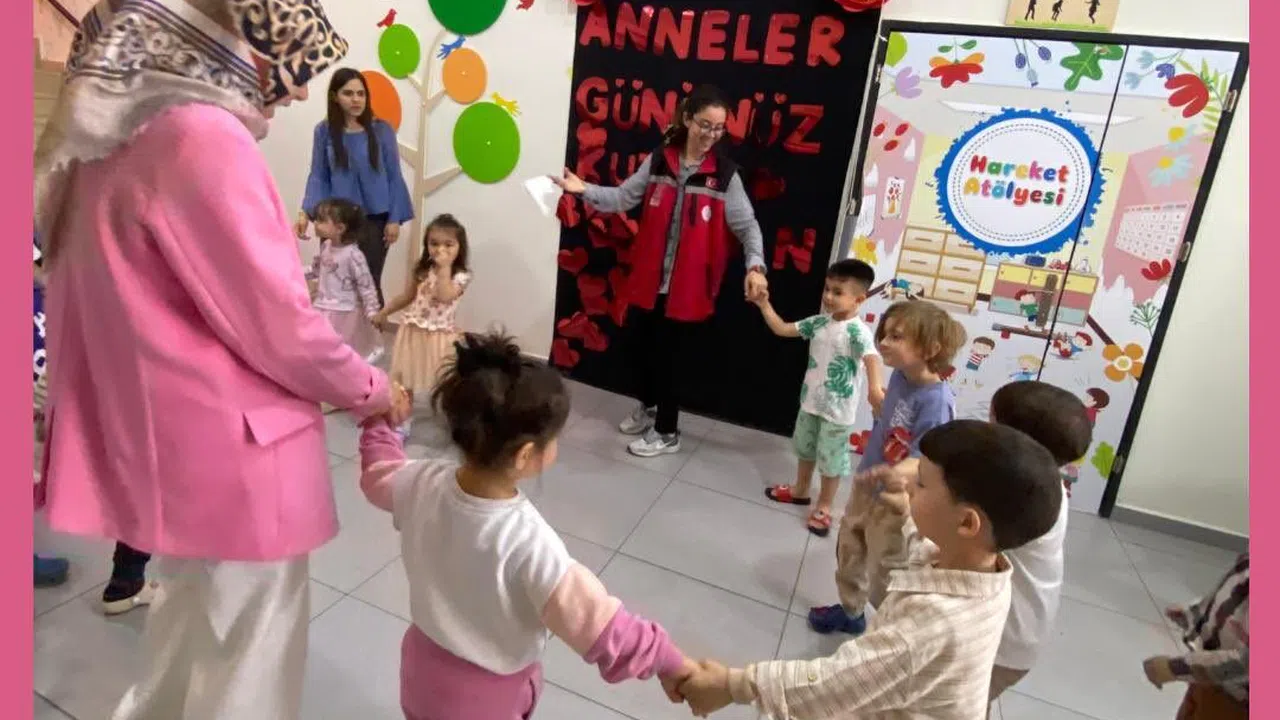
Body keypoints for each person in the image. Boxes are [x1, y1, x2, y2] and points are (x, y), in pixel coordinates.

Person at [32, 1, 410, 716]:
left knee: (186, 633)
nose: (299, 90)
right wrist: (371, 388)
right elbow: (279, 324)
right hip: (238, 457)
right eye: (289, 65)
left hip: (170, 452)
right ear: (232, 42)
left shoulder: (106, 135)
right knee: (249, 661)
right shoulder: (202, 136)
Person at [356, 332, 697, 719]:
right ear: (524, 455)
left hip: (422, 669)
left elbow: (378, 472)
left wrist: (380, 422)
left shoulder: (421, 481)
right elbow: (603, 627)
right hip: (487, 699)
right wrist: (673, 663)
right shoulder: (529, 542)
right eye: (553, 440)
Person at [673, 420, 1064, 719]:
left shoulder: (935, 624)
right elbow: (920, 557)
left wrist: (734, 685)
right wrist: (904, 517)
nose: (910, 487)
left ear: (966, 522)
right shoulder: (986, 572)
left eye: (922, 485)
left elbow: (837, 683)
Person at [551, 84, 768, 459]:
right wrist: (582, 188)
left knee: (671, 362)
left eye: (719, 128)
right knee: (644, 351)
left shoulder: (724, 175)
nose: (711, 135)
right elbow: (623, 198)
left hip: (689, 286)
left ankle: (667, 432)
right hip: (651, 281)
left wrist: (756, 267)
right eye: (705, 125)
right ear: (688, 119)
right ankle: (649, 408)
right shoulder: (660, 161)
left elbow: (748, 227)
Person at [808, 300, 966, 636]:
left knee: (886, 568)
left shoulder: (937, 402)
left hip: (896, 502)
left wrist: (896, 474)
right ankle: (851, 612)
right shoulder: (900, 377)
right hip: (867, 485)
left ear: (931, 349)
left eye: (897, 336)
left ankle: (892, 629)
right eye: (884, 334)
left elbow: (927, 459)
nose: (883, 342)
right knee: (849, 549)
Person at [754, 260, 885, 537]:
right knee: (805, 449)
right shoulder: (818, 322)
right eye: (827, 289)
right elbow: (782, 329)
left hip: (837, 413)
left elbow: (872, 358)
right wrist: (764, 304)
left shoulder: (857, 331)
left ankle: (825, 505)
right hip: (810, 403)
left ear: (859, 299)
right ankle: (801, 490)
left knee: (831, 460)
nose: (828, 296)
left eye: (838, 292)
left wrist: (875, 389)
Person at [986, 381, 1093, 704]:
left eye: (991, 423)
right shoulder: (1047, 484)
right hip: (1021, 634)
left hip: (1001, 641)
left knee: (951, 707)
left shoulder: (1019, 495)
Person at [297, 67, 414, 306]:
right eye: (348, 93)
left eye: (361, 94)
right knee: (334, 282)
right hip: (337, 222)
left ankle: (372, 330)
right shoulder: (324, 131)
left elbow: (394, 176)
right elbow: (318, 175)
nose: (356, 99)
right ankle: (336, 329)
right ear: (335, 97)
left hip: (375, 221)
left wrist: (394, 218)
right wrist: (305, 213)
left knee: (368, 283)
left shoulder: (382, 130)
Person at [374, 214, 472, 440]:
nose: (440, 249)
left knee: (446, 380)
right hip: (413, 330)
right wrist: (384, 312)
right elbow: (407, 296)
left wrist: (444, 268)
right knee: (403, 378)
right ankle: (402, 418)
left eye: (448, 244)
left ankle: (456, 417)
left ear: (460, 247)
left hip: (440, 336)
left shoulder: (460, 276)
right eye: (434, 243)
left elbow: (444, 295)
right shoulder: (421, 270)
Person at [1143, 553, 1248, 720]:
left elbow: (1247, 663)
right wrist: (1194, 619)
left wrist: (1174, 668)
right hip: (1209, 678)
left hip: (1236, 701)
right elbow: (1230, 601)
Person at [307, 198, 384, 363]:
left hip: (345, 311)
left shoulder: (353, 255)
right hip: (323, 306)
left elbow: (366, 285)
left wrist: (372, 311)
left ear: (340, 228)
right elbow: (316, 270)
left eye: (321, 220)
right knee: (321, 347)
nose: (315, 224)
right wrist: (293, 271)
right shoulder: (326, 246)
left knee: (342, 350)